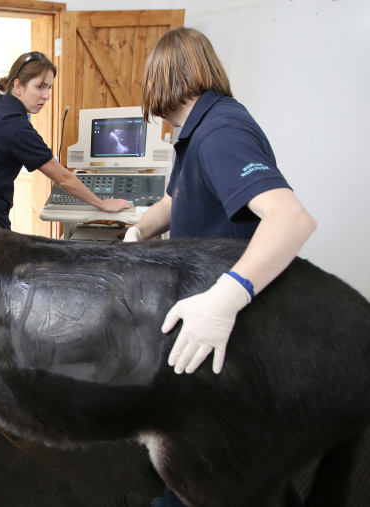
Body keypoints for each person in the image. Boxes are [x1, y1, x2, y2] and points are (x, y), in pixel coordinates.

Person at [121, 27, 316, 507]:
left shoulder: (220, 133)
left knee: (206, 445)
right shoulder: (197, 132)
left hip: (228, 317)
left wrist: (225, 298)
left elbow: (291, 218)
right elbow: (175, 197)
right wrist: (137, 233)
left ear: (163, 79)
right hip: (204, 298)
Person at [0, 51, 132, 229]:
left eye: (49, 87)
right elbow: (64, 179)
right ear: (18, 86)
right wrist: (102, 204)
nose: (47, 96)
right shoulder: (17, 128)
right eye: (40, 87)